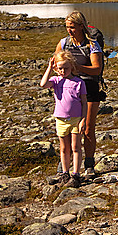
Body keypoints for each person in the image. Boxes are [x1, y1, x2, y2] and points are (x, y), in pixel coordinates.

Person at [54, 11, 104, 178]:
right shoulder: (63, 43)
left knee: (87, 128)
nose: (69, 31)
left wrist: (76, 67)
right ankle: (65, 165)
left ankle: (89, 164)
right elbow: (56, 63)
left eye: (73, 27)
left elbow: (97, 69)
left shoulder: (92, 45)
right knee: (67, 128)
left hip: (89, 87)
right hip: (68, 89)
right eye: (68, 27)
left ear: (82, 26)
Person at [40, 51, 87, 188]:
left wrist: (83, 120)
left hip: (76, 119)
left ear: (72, 66)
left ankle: (76, 174)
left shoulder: (79, 83)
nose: (63, 71)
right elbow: (43, 84)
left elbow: (84, 103)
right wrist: (49, 67)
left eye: (66, 68)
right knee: (64, 148)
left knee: (76, 147)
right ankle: (64, 173)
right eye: (60, 68)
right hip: (60, 119)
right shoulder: (55, 81)